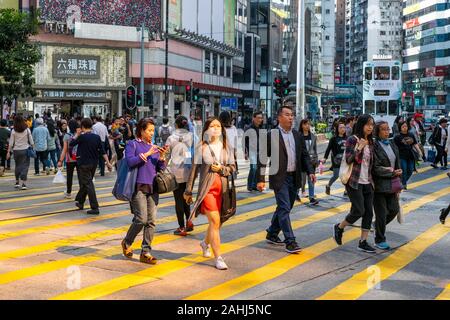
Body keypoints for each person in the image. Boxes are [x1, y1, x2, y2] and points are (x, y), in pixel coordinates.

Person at [257, 106, 316, 254]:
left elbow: (304, 155)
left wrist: (310, 172)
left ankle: (272, 232)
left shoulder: (297, 135)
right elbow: (263, 158)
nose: (291, 118)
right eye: (287, 115)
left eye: (292, 115)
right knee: (284, 208)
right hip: (279, 177)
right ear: (279, 117)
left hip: (293, 176)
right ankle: (290, 241)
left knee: (286, 207)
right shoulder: (272, 135)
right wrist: (260, 179)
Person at [184, 117, 236, 270]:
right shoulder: (202, 147)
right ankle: (218, 257)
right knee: (214, 221)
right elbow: (193, 171)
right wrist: (188, 191)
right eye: (212, 126)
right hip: (207, 191)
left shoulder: (227, 146)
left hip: (224, 191)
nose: (215, 128)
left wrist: (222, 169)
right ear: (206, 129)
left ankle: (205, 243)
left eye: (218, 126)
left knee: (217, 223)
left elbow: (233, 167)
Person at [121, 118, 169, 264]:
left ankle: (146, 252)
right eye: (149, 130)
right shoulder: (132, 144)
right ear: (141, 130)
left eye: (153, 131)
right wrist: (147, 154)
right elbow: (130, 162)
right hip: (138, 186)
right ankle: (127, 242)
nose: (151, 133)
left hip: (152, 187)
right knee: (141, 219)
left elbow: (160, 168)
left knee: (151, 221)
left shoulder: (154, 147)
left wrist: (161, 157)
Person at [333, 114, 377, 253]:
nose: (370, 127)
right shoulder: (352, 140)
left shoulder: (371, 142)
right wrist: (359, 148)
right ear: (361, 125)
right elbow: (349, 159)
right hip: (354, 181)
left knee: (369, 212)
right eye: (368, 124)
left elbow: (372, 164)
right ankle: (339, 227)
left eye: (372, 125)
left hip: (367, 182)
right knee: (359, 210)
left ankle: (363, 242)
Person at [70, 118, 113, 215]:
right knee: (86, 182)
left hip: (83, 163)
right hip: (94, 163)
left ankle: (95, 207)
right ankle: (80, 202)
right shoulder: (96, 137)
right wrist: (108, 162)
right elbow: (102, 151)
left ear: (82, 127)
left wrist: (77, 134)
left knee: (88, 184)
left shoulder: (82, 137)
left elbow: (71, 143)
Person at [372, 121, 402, 250]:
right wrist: (391, 172)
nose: (386, 131)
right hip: (378, 185)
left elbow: (397, 162)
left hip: (392, 184)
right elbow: (375, 168)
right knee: (381, 213)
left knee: (394, 210)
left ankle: (377, 225)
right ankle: (379, 239)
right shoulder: (374, 146)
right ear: (377, 132)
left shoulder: (392, 143)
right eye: (383, 129)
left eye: (387, 129)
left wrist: (398, 175)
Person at [166, 115, 194, 236]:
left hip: (176, 173)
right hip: (187, 173)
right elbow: (190, 155)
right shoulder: (190, 137)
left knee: (178, 200)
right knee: (186, 197)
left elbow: (166, 156)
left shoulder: (171, 138)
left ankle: (181, 227)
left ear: (176, 125)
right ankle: (189, 222)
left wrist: (162, 167)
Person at [6, 115, 34, 190]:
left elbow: (11, 143)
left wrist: (8, 152)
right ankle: (24, 184)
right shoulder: (27, 129)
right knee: (25, 166)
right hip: (25, 150)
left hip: (16, 151)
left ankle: (17, 182)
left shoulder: (13, 130)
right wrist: (33, 147)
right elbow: (31, 140)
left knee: (17, 166)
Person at [58, 119, 81, 199]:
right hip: (79, 158)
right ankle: (82, 191)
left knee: (69, 176)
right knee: (80, 176)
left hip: (69, 159)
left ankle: (68, 193)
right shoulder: (80, 134)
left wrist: (60, 161)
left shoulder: (67, 136)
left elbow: (64, 150)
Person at [394, 120, 420, 190]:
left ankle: (402, 182)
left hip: (410, 155)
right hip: (402, 156)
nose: (405, 128)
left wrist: (419, 152)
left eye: (406, 126)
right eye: (403, 127)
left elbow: (415, 144)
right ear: (400, 128)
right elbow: (394, 147)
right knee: (404, 171)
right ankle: (404, 184)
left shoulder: (411, 134)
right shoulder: (397, 137)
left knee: (410, 170)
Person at [298, 119, 319, 205]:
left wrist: (316, 160)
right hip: (301, 161)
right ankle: (296, 193)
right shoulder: (299, 136)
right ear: (302, 125)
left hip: (311, 161)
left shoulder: (313, 136)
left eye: (309, 124)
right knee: (301, 180)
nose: (307, 126)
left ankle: (311, 198)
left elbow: (315, 149)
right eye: (305, 124)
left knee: (311, 179)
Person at [323, 122, 347, 195]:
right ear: (337, 129)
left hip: (345, 160)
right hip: (336, 161)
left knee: (345, 175)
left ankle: (346, 190)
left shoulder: (347, 138)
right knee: (336, 176)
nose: (343, 129)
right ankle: (328, 185)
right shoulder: (333, 139)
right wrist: (325, 158)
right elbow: (328, 149)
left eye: (344, 127)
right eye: (341, 128)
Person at [244, 111, 264, 192]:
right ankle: (250, 185)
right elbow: (244, 141)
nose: (260, 119)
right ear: (253, 118)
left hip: (260, 150)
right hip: (252, 151)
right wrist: (245, 152)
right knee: (254, 168)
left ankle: (255, 185)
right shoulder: (249, 128)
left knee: (257, 168)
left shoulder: (261, 128)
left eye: (261, 118)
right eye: (258, 118)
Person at [219, 111, 239, 179]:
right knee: (229, 169)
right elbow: (235, 142)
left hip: (220, 152)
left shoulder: (219, 128)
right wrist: (235, 154)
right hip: (230, 152)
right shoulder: (233, 128)